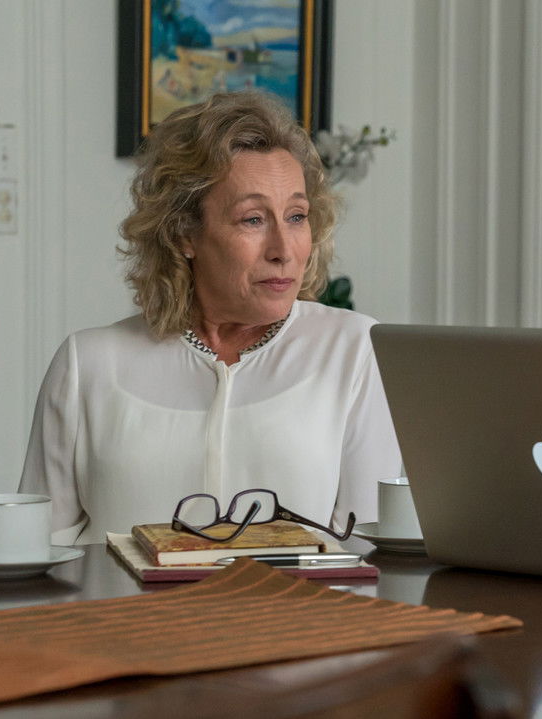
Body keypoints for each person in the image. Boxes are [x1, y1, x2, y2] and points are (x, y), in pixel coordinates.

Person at [20, 91, 401, 544]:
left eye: (296, 216)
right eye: (253, 220)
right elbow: (34, 551)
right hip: (121, 595)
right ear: (185, 233)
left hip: (296, 596)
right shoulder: (89, 364)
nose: (283, 250)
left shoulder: (354, 349)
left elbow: (368, 551)